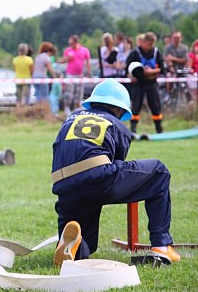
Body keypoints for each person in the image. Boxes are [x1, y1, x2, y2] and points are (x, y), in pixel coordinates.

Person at [51, 79, 180, 266]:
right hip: (98, 179)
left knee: (85, 242)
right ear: (119, 109)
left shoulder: (70, 119)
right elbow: (117, 163)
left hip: (64, 188)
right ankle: (162, 245)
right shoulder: (116, 125)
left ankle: (72, 247)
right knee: (159, 172)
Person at [125, 32, 165, 134]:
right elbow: (127, 68)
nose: (151, 46)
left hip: (152, 83)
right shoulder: (135, 53)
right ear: (144, 41)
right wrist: (130, 76)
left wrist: (151, 71)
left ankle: (159, 129)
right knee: (136, 106)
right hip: (138, 83)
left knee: (155, 105)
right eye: (149, 43)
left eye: (152, 44)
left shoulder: (156, 52)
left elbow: (162, 68)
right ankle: (133, 129)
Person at [59, 34, 91, 116]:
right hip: (70, 74)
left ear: (76, 42)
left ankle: (77, 108)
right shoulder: (68, 50)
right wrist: (67, 58)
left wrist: (88, 72)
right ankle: (67, 108)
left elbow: (88, 62)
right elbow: (62, 61)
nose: (70, 45)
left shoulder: (84, 50)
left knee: (79, 92)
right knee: (69, 92)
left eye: (71, 43)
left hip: (80, 75)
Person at [163, 31, 188, 100]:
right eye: (175, 37)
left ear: (181, 38)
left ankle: (189, 98)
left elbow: (185, 59)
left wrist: (173, 58)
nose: (176, 39)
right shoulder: (167, 48)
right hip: (171, 69)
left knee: (187, 81)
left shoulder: (184, 48)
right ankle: (168, 93)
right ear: (172, 38)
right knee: (169, 77)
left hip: (182, 69)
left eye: (178, 37)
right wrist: (171, 67)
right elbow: (167, 59)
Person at [32, 42, 56, 114]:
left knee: (38, 94)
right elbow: (49, 68)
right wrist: (54, 75)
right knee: (45, 94)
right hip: (42, 77)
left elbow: (34, 67)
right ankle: (44, 111)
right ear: (49, 51)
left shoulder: (37, 56)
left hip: (35, 76)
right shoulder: (46, 57)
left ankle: (37, 109)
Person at [12, 43, 33, 107]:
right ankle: (25, 109)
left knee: (18, 97)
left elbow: (14, 70)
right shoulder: (29, 60)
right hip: (27, 80)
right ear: (26, 51)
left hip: (18, 80)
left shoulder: (15, 60)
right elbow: (31, 70)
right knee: (26, 96)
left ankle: (18, 110)